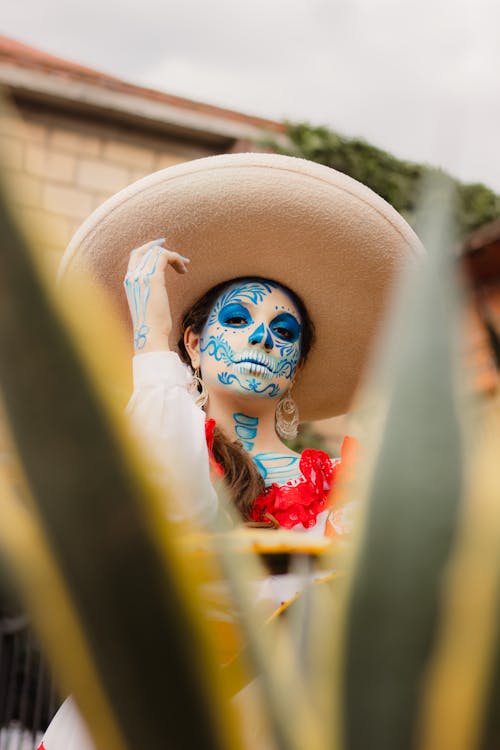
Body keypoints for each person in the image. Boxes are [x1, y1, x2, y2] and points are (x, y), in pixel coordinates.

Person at [39, 152, 423, 750]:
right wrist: (151, 340)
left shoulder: (337, 483)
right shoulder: (157, 430)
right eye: (238, 318)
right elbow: (176, 507)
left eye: (285, 332)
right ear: (194, 342)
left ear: (294, 369)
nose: (262, 338)